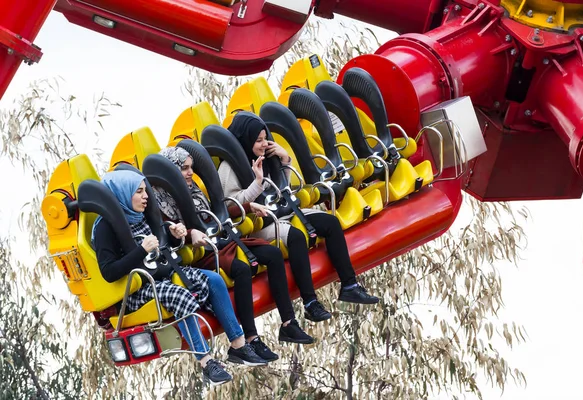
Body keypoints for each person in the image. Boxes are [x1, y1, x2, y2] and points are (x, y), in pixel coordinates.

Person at [92, 170, 267, 386]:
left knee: (213, 280)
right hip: (137, 289)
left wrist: (174, 235)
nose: (146, 196)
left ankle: (239, 345)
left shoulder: (142, 214)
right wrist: (141, 250)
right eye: (139, 192)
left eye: (145, 191)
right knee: (179, 295)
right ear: (122, 194)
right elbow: (109, 272)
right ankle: (205, 361)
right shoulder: (104, 228)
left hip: (165, 273)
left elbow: (160, 244)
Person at [153, 147, 315, 359]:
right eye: (184, 169)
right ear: (171, 173)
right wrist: (190, 233)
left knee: (273, 255)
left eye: (191, 168)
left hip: (221, 241)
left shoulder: (194, 190)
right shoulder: (160, 203)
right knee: (241, 268)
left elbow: (214, 214)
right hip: (200, 254)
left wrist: (248, 206)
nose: (190, 173)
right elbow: (167, 233)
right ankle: (251, 338)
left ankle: (288, 323)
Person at [218, 113, 379, 320]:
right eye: (258, 140)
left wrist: (284, 160)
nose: (264, 143)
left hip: (281, 210)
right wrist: (256, 183)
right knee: (296, 236)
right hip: (257, 222)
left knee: (330, 222)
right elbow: (232, 205)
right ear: (246, 139)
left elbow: (280, 186)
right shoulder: (228, 167)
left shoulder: (266, 156)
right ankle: (310, 302)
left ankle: (349, 285)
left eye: (264, 138)